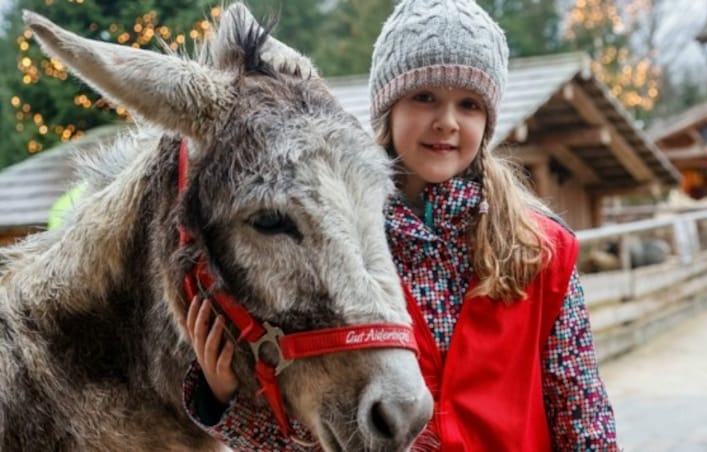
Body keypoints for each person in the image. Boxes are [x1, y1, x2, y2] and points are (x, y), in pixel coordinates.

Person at [183, 0, 618, 449]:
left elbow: (580, 408)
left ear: (488, 121)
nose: (446, 122)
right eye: (424, 96)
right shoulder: (336, 247)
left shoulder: (540, 248)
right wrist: (226, 403)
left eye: (469, 104)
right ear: (387, 107)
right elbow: (318, 436)